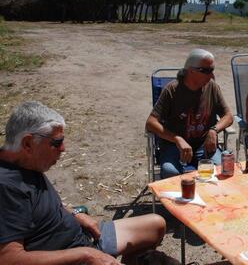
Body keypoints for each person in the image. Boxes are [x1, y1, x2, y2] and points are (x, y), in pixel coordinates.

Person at [0, 101, 166, 265]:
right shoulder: (6, 186)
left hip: (82, 237)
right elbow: (8, 259)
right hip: (70, 256)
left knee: (156, 224)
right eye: (56, 142)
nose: (63, 148)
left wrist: (74, 214)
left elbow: (37, 206)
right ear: (28, 143)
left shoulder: (24, 162)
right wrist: (86, 255)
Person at [146, 49, 233, 178]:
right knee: (171, 173)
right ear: (191, 71)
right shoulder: (172, 90)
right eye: (206, 71)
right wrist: (177, 139)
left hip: (203, 145)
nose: (212, 76)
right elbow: (151, 123)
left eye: (212, 70)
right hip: (174, 146)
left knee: (223, 170)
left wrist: (214, 130)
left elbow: (228, 116)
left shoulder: (212, 87)